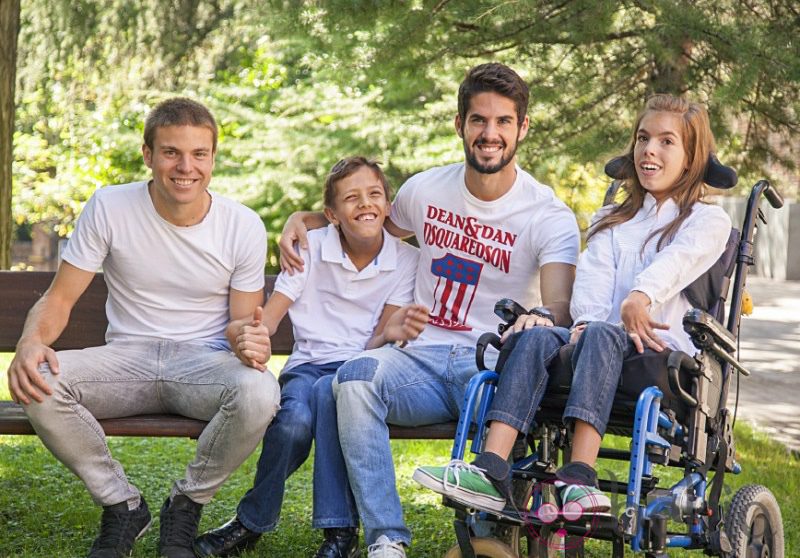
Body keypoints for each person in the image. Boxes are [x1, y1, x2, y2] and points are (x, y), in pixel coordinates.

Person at [279, 63, 580, 557]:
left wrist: (544, 315)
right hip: (417, 357)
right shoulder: (425, 190)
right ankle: (386, 540)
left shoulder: (547, 214)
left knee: (511, 419)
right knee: (352, 379)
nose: (490, 133)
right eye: (479, 120)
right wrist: (305, 217)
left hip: (489, 366)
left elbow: (560, 304)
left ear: (523, 128)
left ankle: (495, 526)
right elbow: (366, 223)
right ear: (459, 124)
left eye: (504, 121)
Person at [414, 94, 732, 518]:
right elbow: (594, 284)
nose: (648, 150)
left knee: (602, 333)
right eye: (642, 138)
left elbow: (679, 261)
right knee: (538, 333)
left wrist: (640, 297)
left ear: (692, 157)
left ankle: (578, 476)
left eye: (666, 141)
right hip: (594, 345)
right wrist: (582, 321)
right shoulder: (611, 220)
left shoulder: (707, 220)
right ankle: (490, 470)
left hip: (658, 354)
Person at [6, 97, 281, 558]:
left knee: (260, 393)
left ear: (213, 158)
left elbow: (240, 322)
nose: (185, 167)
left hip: (202, 364)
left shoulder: (243, 225)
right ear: (148, 154)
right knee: (40, 382)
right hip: (127, 358)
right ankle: (123, 504)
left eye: (199, 154)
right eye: (171, 152)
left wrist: (248, 340)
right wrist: (32, 342)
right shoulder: (110, 206)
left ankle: (186, 503)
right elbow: (60, 297)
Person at [194, 157, 427, 558]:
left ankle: (338, 533)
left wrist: (390, 334)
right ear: (332, 215)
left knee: (328, 394)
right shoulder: (310, 247)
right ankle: (252, 522)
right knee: (292, 424)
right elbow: (269, 316)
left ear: (389, 206)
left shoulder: (407, 260)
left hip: (360, 372)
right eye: (351, 198)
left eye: (374, 195)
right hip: (307, 365)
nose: (365, 204)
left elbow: (377, 343)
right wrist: (253, 334)